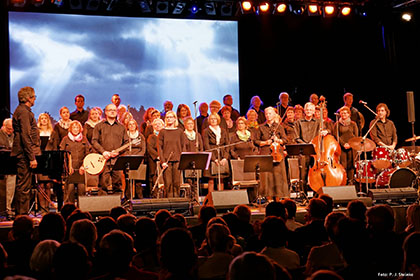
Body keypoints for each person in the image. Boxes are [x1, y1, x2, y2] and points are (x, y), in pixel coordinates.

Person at [11, 87, 41, 215]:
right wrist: (32, 157)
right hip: (24, 154)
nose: (35, 99)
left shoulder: (24, 111)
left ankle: (22, 215)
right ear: (29, 98)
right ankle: (22, 216)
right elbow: (25, 135)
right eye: (34, 97)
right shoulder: (23, 112)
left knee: (24, 185)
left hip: (24, 153)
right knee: (24, 187)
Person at [92, 103, 129, 194]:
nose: (112, 112)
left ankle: (118, 206)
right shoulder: (99, 126)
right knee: (103, 184)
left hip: (117, 160)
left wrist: (118, 152)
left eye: (114, 110)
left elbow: (127, 143)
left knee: (118, 184)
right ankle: (103, 206)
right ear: (106, 112)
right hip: (103, 160)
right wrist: (103, 152)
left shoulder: (121, 127)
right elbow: (94, 141)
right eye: (110, 110)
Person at [255, 107, 289, 199]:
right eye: (266, 114)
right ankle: (267, 197)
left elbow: (285, 140)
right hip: (266, 153)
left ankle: (279, 196)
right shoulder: (261, 127)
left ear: (274, 115)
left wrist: (278, 140)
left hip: (278, 153)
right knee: (266, 176)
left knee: (278, 175)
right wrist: (266, 142)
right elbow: (256, 141)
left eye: (270, 113)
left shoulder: (280, 127)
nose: (268, 115)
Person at [294, 102, 326, 191]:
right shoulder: (298, 122)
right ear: (304, 110)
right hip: (303, 151)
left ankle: (316, 191)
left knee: (316, 173)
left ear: (313, 111)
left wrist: (326, 131)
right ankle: (303, 193)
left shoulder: (319, 122)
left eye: (311, 110)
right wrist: (306, 144)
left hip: (316, 151)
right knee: (303, 174)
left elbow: (327, 130)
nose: (309, 111)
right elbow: (296, 137)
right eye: (307, 109)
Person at [60, 120, 91, 203]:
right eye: (73, 127)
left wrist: (83, 166)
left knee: (81, 189)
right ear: (70, 129)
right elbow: (61, 154)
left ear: (80, 129)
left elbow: (87, 154)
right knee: (70, 189)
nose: (75, 129)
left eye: (77, 127)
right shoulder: (65, 139)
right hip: (69, 170)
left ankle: (82, 209)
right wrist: (68, 167)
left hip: (81, 169)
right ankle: (69, 208)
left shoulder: (84, 139)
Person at [158, 110, 185, 198]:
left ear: (174, 119)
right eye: (167, 117)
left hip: (178, 160)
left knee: (177, 184)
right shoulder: (162, 132)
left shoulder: (180, 131)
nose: (169, 119)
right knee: (168, 184)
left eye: (171, 117)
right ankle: (169, 203)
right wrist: (163, 161)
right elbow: (160, 148)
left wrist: (182, 159)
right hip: (166, 162)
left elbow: (183, 146)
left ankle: (177, 202)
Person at [202, 113, 230, 192]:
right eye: (211, 119)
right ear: (209, 121)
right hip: (211, 156)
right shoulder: (206, 131)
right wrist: (214, 159)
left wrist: (225, 158)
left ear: (218, 120)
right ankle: (210, 200)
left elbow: (227, 144)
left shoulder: (223, 131)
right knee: (211, 180)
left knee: (221, 179)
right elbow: (206, 146)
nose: (213, 120)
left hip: (222, 155)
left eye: (215, 119)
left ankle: (221, 200)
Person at [333, 106, 359, 184]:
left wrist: (350, 144)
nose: (344, 114)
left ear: (349, 114)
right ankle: (343, 181)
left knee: (351, 166)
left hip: (351, 148)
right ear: (340, 114)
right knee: (343, 165)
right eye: (342, 113)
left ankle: (351, 182)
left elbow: (356, 136)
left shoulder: (353, 124)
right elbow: (336, 136)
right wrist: (343, 144)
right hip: (342, 147)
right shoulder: (337, 124)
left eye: (345, 113)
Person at [125, 119, 146, 199]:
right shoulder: (125, 136)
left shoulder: (140, 136)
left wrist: (138, 157)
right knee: (128, 181)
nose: (132, 126)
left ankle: (140, 198)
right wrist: (129, 156)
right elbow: (123, 148)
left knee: (138, 181)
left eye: (133, 124)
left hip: (139, 160)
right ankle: (128, 198)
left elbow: (143, 149)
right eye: (130, 124)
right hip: (128, 160)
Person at [0, 118, 16, 219]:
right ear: (4, 126)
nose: (10, 131)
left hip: (11, 164)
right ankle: (2, 209)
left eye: (12, 129)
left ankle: (8, 208)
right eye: (9, 129)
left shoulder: (14, 135)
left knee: (11, 188)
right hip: (1, 164)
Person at [146, 118, 164, 196]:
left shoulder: (165, 136)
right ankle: (155, 195)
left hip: (164, 160)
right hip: (155, 161)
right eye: (155, 124)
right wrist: (158, 156)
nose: (157, 125)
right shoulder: (151, 137)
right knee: (154, 178)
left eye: (159, 124)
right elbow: (150, 149)